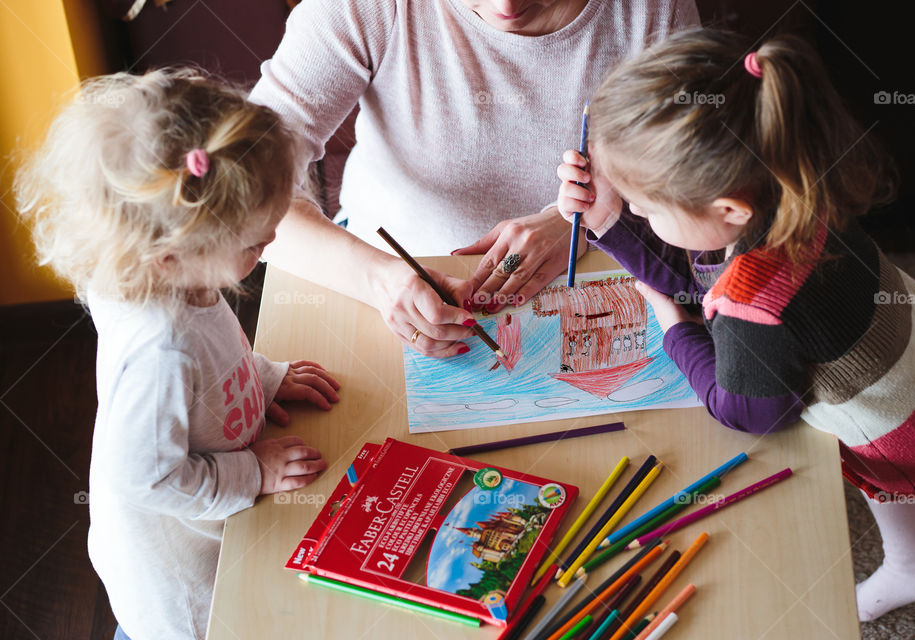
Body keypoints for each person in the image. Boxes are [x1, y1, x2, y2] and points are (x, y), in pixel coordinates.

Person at [557, 29, 915, 622]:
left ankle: (913, 562)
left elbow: (750, 411)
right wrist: (612, 218)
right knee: (888, 484)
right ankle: (914, 562)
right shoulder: (793, 186)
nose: (638, 212)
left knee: (898, 476)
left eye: (646, 206)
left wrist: (674, 329)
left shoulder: (754, 309)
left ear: (728, 211)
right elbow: (704, 269)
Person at [15, 69, 341, 640]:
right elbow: (144, 476)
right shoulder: (158, 350)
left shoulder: (180, 274)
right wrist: (254, 470)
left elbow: (217, 357)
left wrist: (262, 379)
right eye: (254, 243)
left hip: (213, 527)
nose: (268, 247)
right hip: (179, 584)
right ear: (172, 253)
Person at [249, 0, 699, 358]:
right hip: (377, 285)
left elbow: (698, 169)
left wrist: (579, 219)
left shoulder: (651, 9)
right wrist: (380, 280)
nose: (506, 6)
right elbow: (237, 198)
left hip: (607, 281)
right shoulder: (363, 7)